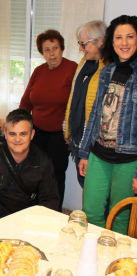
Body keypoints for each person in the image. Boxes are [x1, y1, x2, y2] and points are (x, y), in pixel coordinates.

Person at [78, 15, 137, 235]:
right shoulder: (106, 71)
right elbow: (95, 115)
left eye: (130, 36)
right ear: (111, 42)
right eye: (119, 37)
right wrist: (84, 152)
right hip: (98, 154)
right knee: (90, 213)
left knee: (120, 218)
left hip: (129, 159)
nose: (124, 42)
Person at [0, 109, 60, 228]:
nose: (17, 139)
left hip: (26, 215)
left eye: (23, 134)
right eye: (12, 134)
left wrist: (34, 222)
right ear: (5, 134)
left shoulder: (43, 160)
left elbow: (50, 199)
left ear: (32, 135)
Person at [19, 29, 77, 211]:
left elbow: (79, 104)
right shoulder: (38, 71)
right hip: (37, 132)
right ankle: (36, 209)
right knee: (35, 172)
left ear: (62, 48)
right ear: (41, 52)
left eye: (55, 48)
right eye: (46, 49)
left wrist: (73, 132)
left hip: (60, 135)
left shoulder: (72, 69)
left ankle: (54, 212)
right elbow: (26, 100)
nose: (51, 53)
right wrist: (18, 122)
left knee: (55, 174)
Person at [64, 20, 107, 188]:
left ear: (100, 41)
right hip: (77, 139)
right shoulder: (83, 63)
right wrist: (67, 127)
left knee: (96, 190)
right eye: (80, 44)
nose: (81, 49)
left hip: (95, 145)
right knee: (85, 185)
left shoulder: (109, 68)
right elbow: (74, 97)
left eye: (84, 44)